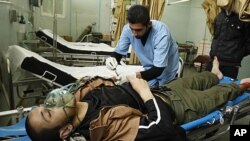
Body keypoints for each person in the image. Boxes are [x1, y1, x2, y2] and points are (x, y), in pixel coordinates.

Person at [25, 57, 250, 141]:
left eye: (44, 103)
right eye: (48, 112)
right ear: (64, 131)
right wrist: (143, 92)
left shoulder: (79, 96)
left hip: (163, 90)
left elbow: (103, 81)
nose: (51, 102)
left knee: (199, 79)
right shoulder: (101, 128)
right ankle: (239, 85)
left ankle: (215, 74)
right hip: (179, 107)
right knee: (220, 93)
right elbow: (160, 127)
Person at [105, 5, 179, 87]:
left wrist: (133, 77)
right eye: (131, 29)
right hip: (148, 70)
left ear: (149, 24)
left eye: (138, 30)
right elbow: (118, 53)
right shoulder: (127, 30)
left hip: (166, 71)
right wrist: (112, 58)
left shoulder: (161, 33)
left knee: (162, 95)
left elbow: (158, 69)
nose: (134, 33)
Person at [206, 3, 250, 79]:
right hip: (213, 61)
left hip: (230, 66)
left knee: (224, 89)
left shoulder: (243, 18)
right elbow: (215, 37)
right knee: (204, 86)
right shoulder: (219, 16)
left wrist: (236, 54)